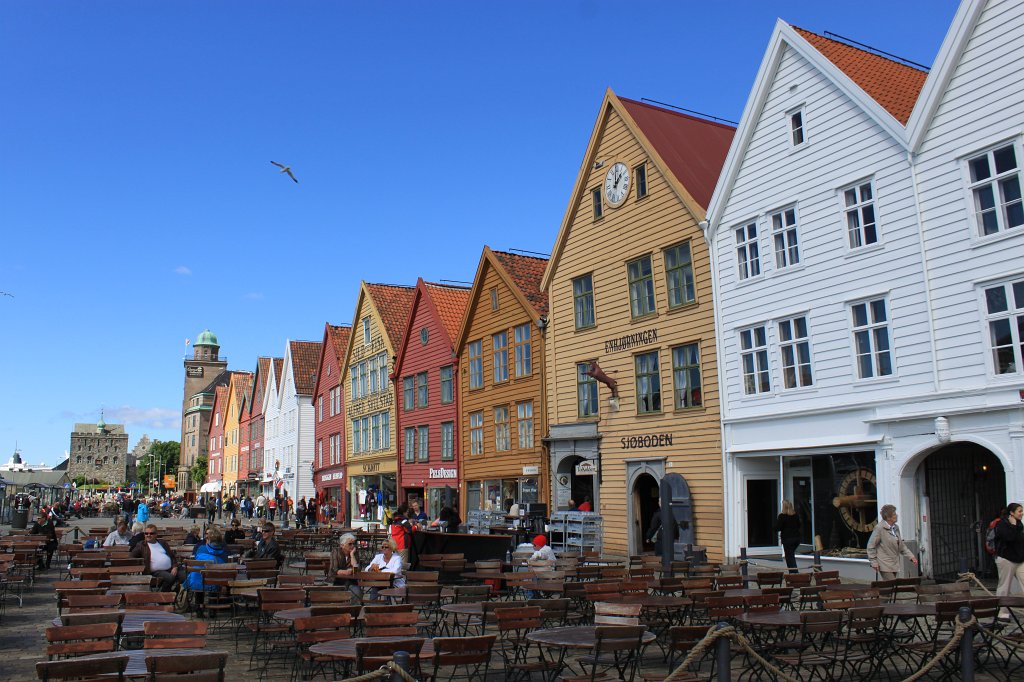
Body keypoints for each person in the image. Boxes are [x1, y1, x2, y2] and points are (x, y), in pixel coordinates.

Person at [866, 504, 918, 580]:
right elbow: (870, 546)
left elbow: (901, 546)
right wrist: (874, 562)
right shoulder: (879, 528)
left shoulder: (896, 528)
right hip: (884, 564)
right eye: (894, 514)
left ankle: (885, 592)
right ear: (888, 517)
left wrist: (911, 556)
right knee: (892, 584)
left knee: (891, 588)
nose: (896, 515)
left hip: (894, 563)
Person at [187, 525, 228, 613]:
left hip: (196, 582)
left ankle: (199, 609)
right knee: (213, 578)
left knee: (198, 575)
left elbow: (195, 557)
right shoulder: (223, 552)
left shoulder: (201, 548)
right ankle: (212, 610)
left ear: (208, 540)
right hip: (215, 583)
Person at [994, 502, 1024, 621]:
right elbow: (1009, 538)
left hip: (1019, 560)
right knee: (1005, 586)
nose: (1022, 514)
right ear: (1012, 513)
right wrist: (1013, 525)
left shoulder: (1019, 524)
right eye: (1019, 511)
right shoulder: (1002, 524)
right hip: (1006, 559)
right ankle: (1002, 612)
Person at [130, 524, 181, 592]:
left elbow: (172, 556)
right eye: (146, 533)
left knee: (185, 576)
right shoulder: (141, 545)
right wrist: (141, 563)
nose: (148, 535)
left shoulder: (162, 543)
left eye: (151, 533)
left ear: (156, 534)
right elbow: (132, 556)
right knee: (170, 578)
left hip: (171, 568)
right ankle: (162, 597)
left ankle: (177, 595)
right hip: (155, 572)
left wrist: (175, 567)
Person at [775, 500, 802, 573]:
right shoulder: (795, 515)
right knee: (790, 555)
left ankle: (794, 573)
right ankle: (792, 572)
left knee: (789, 557)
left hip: (788, 539)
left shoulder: (782, 516)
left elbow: (778, 527)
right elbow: (799, 525)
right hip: (796, 538)